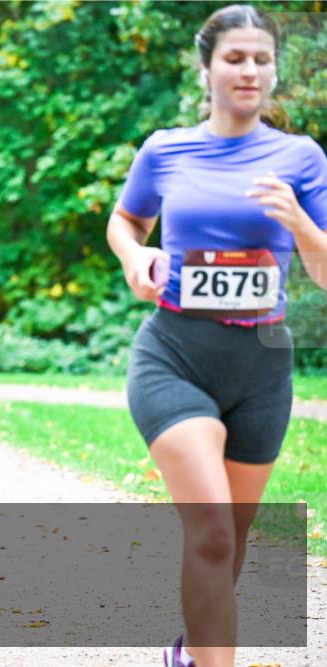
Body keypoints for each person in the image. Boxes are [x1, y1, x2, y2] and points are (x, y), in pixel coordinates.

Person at [105, 6, 327, 666]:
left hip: (262, 366)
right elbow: (125, 220)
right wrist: (135, 258)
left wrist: (299, 223)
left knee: (229, 541)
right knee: (210, 534)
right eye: (235, 58)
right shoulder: (166, 149)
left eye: (262, 59)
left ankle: (190, 652)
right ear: (206, 69)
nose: (250, 70)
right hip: (174, 354)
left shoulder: (301, 157)